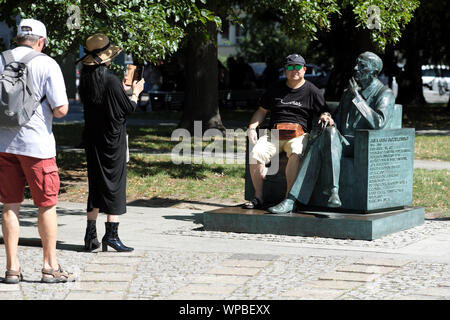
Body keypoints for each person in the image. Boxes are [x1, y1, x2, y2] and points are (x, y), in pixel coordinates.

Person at [268, 51, 395, 214]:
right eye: (356, 64)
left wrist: (357, 97)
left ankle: (295, 199)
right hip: (339, 141)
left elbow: (378, 123)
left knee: (318, 146)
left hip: (364, 145)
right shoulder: (348, 93)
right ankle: (331, 193)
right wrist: (328, 120)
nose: (356, 69)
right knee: (328, 134)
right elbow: (337, 120)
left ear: (374, 72)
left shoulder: (384, 93)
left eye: (362, 66)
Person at [0, 18, 75, 283]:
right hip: (38, 147)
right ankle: (49, 266)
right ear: (41, 41)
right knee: (46, 204)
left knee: (9, 205)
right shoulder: (47, 63)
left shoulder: (1, 60)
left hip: (4, 146)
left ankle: (11, 268)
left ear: (19, 38)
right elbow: (62, 109)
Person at [77, 33, 145, 252]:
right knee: (114, 186)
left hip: (92, 139)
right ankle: (111, 236)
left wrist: (122, 92)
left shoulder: (86, 80)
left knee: (95, 185)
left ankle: (90, 236)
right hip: (112, 141)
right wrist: (135, 94)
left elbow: (103, 101)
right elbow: (127, 109)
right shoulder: (111, 80)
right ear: (105, 57)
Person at [243, 53, 330, 210]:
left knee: (296, 153)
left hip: (298, 135)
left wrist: (325, 116)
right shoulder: (276, 87)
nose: (294, 70)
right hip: (274, 134)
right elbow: (261, 111)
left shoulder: (312, 90)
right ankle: (258, 196)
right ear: (285, 70)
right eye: (290, 67)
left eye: (298, 67)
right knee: (255, 154)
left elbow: (324, 111)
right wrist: (251, 128)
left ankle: (288, 199)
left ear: (304, 69)